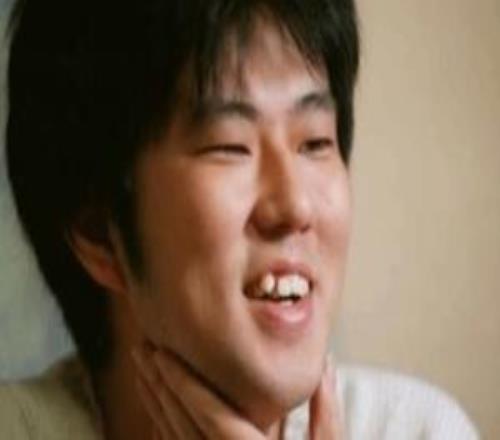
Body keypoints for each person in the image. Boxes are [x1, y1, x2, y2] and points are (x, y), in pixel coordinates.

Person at [0, 0, 480, 438]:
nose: (295, 207)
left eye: (315, 142)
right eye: (230, 146)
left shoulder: (418, 429)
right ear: (99, 234)